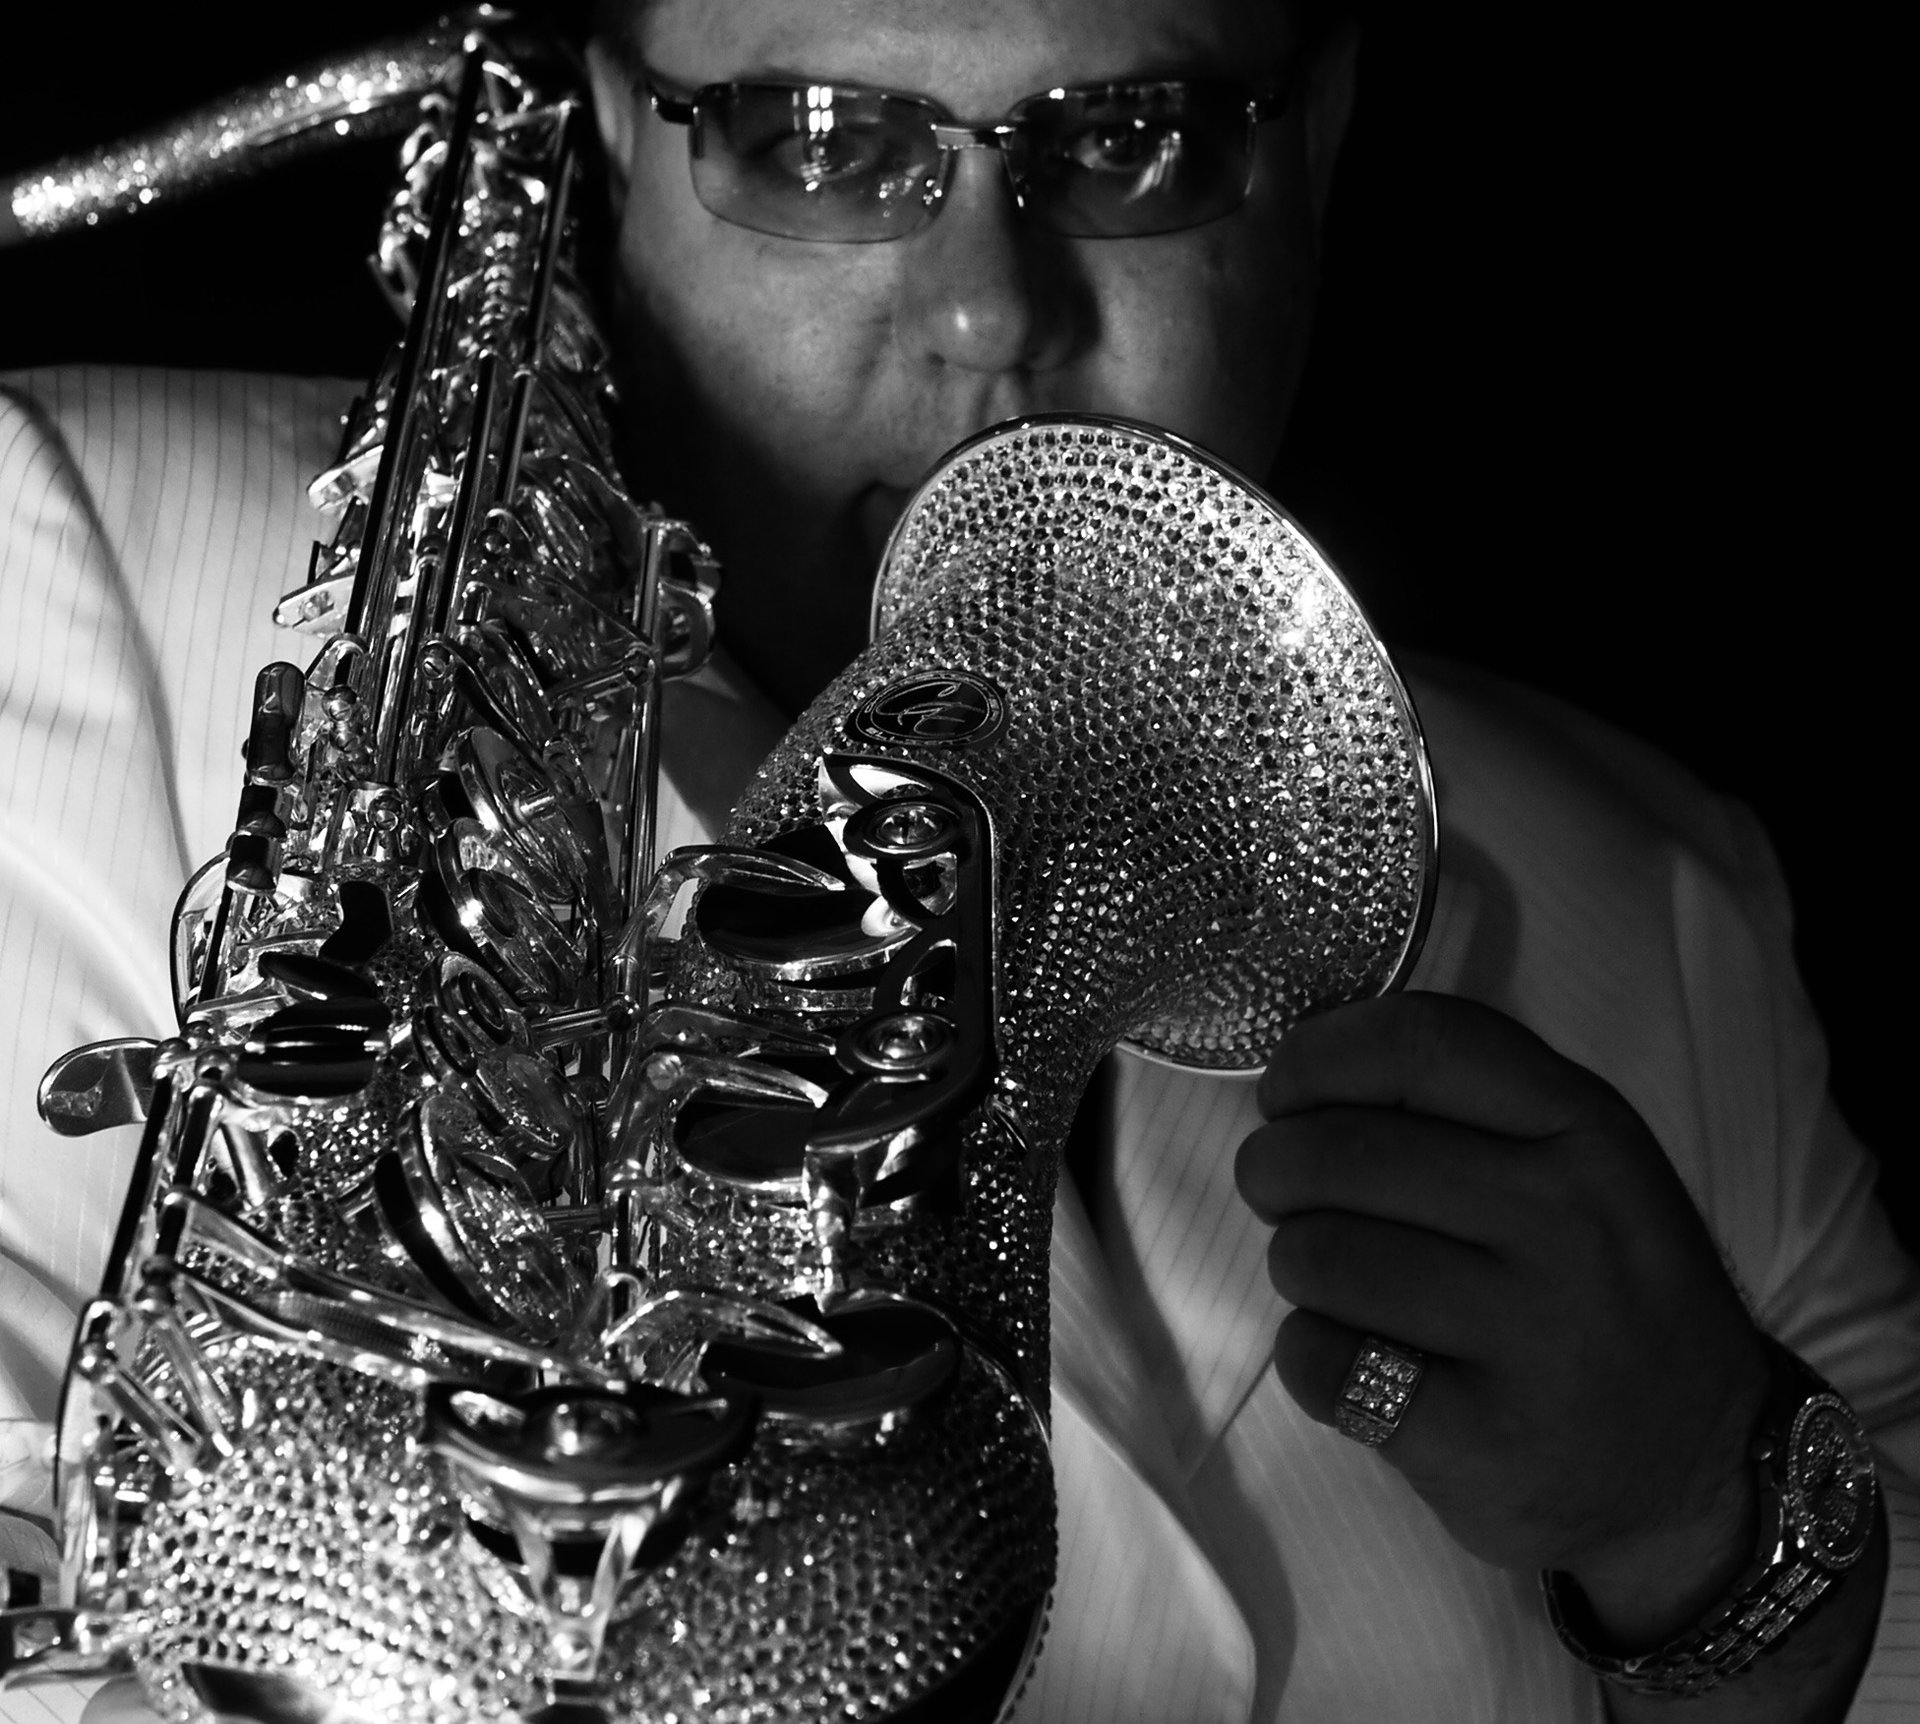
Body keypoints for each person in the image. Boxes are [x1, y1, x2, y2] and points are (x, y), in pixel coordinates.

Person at [1, 0, 1915, 1720]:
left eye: (1130, 139)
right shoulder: (58, 561)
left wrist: (1717, 1542)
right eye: (822, 140)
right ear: (612, 137)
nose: (993, 311)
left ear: (1316, 140)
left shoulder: (1665, 896)